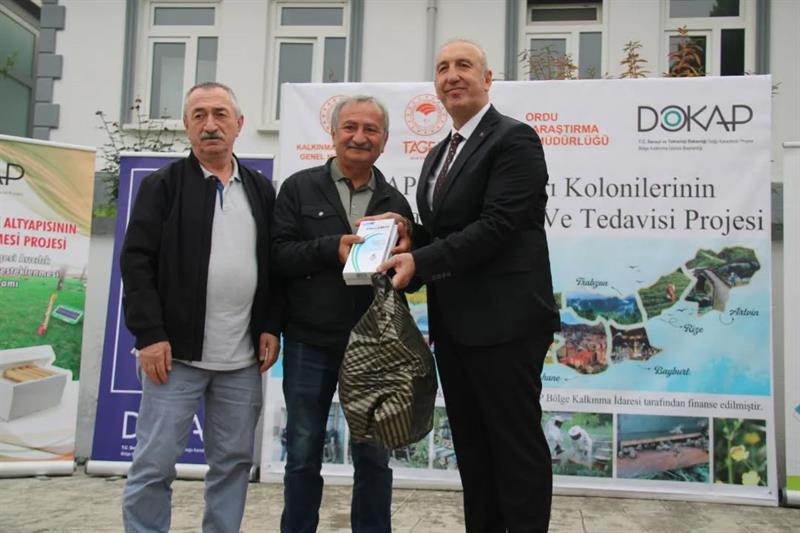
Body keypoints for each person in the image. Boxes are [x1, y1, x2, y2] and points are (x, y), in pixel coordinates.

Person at [375, 39, 561, 532]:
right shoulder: (439, 154)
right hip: (455, 327)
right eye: (442, 68)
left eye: (463, 66)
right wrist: (410, 235)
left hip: (507, 325)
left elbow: (498, 226)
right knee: (474, 452)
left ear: (487, 79)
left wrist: (420, 259)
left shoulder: (514, 140)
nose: (452, 75)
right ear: (436, 85)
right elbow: (449, 234)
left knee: (514, 449)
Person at [120, 81, 281, 533]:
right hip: (174, 357)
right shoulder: (162, 186)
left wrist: (271, 325)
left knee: (233, 464)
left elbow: (275, 266)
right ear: (187, 126)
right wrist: (150, 335)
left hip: (241, 361)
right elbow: (136, 264)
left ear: (239, 124)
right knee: (154, 465)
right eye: (199, 115)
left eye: (220, 115)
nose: (210, 125)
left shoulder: (261, 190)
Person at [271, 95, 415, 532]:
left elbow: (410, 276)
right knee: (302, 454)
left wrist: (410, 248)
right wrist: (328, 248)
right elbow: (277, 256)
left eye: (371, 129)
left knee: (374, 458)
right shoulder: (298, 188)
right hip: (309, 341)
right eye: (350, 127)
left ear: (384, 140)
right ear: (333, 134)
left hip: (375, 348)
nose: (359, 137)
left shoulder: (395, 202)